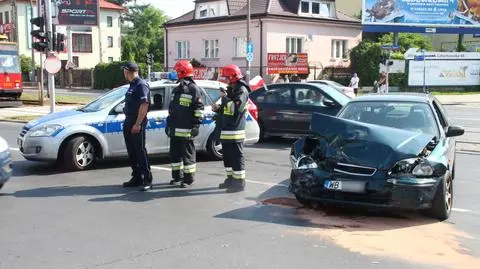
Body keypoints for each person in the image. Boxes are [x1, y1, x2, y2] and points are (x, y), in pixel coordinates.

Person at [165, 60, 204, 188]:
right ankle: (177, 177)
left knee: (188, 155)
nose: (176, 74)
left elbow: (198, 109)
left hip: (187, 129)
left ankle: (188, 179)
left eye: (177, 71)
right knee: (175, 154)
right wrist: (168, 124)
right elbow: (172, 110)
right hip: (175, 129)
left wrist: (196, 125)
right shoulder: (177, 89)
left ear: (182, 72)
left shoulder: (193, 89)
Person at [213, 64, 250, 193]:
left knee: (236, 157)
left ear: (233, 77)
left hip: (235, 131)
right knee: (227, 157)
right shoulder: (232, 89)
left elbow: (235, 108)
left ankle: (239, 183)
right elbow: (228, 108)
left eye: (227, 77)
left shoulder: (242, 91)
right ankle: (230, 180)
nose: (225, 80)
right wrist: (219, 109)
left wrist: (225, 100)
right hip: (227, 130)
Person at [121, 62, 153, 191]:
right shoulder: (132, 85)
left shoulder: (141, 85)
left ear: (128, 71)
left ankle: (147, 179)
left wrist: (137, 124)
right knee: (131, 151)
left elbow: (144, 105)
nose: (124, 74)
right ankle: (136, 176)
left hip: (136, 121)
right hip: (129, 120)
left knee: (140, 150)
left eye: (124, 71)